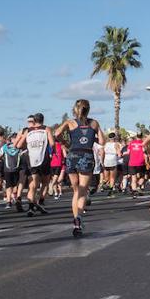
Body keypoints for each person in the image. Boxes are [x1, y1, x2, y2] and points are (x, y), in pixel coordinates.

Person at [50, 100, 105, 235]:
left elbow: (56, 134)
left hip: (72, 156)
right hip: (86, 156)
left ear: (75, 109)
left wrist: (65, 143)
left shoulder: (70, 122)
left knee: (76, 191)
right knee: (82, 191)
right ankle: (78, 219)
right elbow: (103, 142)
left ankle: (76, 220)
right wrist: (92, 139)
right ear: (88, 110)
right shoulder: (94, 123)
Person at [15, 114, 54, 216]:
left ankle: (31, 207)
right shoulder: (46, 129)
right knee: (45, 183)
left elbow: (18, 145)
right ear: (43, 120)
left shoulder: (28, 131)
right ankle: (41, 202)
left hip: (31, 159)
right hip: (44, 158)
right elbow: (52, 144)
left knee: (32, 185)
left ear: (34, 120)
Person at [126, 132, 147, 197]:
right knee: (143, 176)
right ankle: (138, 186)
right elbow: (144, 151)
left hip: (132, 162)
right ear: (141, 136)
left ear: (136, 136)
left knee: (133, 177)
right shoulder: (143, 143)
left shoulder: (131, 143)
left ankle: (134, 191)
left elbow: (128, 152)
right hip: (141, 162)